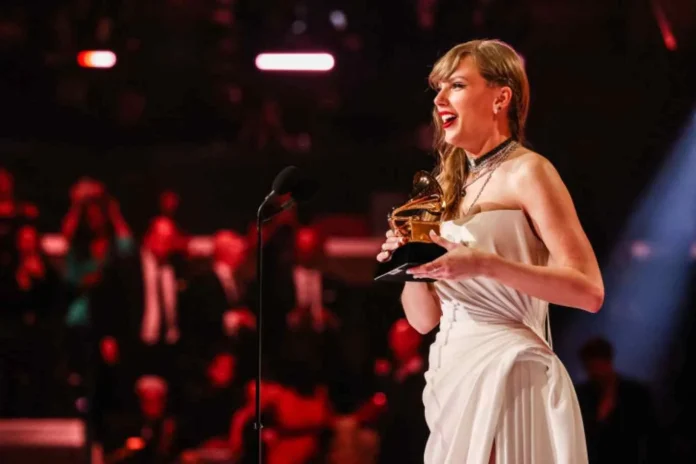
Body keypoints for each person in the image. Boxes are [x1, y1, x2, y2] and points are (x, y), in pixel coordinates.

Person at [376, 39, 604, 463]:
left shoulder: (529, 172)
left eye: (457, 85)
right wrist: (410, 262)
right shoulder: (444, 188)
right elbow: (424, 320)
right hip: (453, 370)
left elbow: (589, 291)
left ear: (501, 97)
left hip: (508, 365)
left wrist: (485, 264)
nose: (441, 98)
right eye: (439, 88)